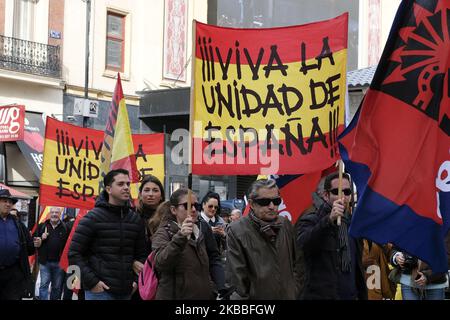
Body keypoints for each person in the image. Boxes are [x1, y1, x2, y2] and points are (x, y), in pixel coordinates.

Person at [68, 169, 147, 300]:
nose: (126, 188)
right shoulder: (92, 218)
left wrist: (135, 281)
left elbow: (141, 254)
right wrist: (92, 282)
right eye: (121, 184)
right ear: (109, 189)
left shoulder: (135, 219)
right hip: (99, 292)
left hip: (126, 291)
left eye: (128, 184)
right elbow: (74, 254)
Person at [296, 172, 367, 300]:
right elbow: (303, 244)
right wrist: (328, 220)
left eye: (346, 192)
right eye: (336, 191)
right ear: (326, 195)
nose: (342, 196)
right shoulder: (311, 219)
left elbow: (357, 266)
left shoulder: (352, 222)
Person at [226, 179, 300, 299]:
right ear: (252, 203)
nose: (272, 206)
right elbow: (237, 282)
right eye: (265, 202)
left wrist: (294, 290)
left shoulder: (285, 224)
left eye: (276, 201)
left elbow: (298, 263)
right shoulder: (237, 230)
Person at [151, 188, 225, 299]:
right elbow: (160, 263)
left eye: (196, 205)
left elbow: (213, 258)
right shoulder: (164, 232)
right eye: (187, 206)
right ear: (174, 210)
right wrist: (181, 237)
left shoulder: (201, 229)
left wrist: (216, 288)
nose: (194, 209)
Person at [0, 189, 34, 300]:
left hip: (13, 273)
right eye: (4, 201)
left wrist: (35, 244)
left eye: (10, 202)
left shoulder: (17, 223)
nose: (8, 204)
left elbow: (29, 247)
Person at [33, 207, 69, 300]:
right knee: (44, 285)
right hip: (45, 262)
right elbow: (33, 240)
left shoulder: (65, 227)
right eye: (52, 212)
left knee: (56, 287)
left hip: (59, 263)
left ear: (60, 214)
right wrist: (40, 237)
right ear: (49, 214)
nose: (54, 214)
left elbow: (68, 244)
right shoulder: (42, 226)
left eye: (56, 212)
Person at [136, 175, 165, 250]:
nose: (151, 194)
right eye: (146, 190)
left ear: (161, 195)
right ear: (140, 194)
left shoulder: (168, 217)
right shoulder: (133, 216)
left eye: (155, 190)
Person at [199, 191, 226, 257]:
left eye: (216, 207)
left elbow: (227, 246)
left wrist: (224, 235)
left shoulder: (221, 222)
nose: (213, 209)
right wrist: (207, 231)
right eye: (210, 206)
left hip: (217, 259)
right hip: (201, 259)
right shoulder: (196, 220)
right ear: (203, 205)